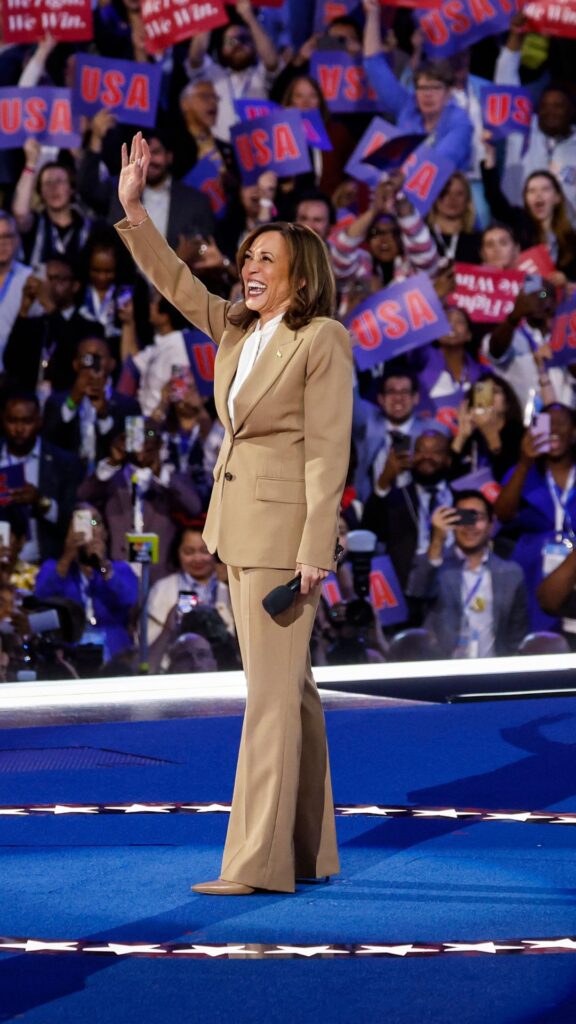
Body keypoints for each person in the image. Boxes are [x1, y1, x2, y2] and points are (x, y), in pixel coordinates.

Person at [115, 131, 353, 896]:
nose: (249, 270)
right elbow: (178, 285)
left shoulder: (323, 340)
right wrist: (134, 212)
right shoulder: (240, 332)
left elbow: (327, 451)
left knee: (270, 700)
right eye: (247, 259)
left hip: (286, 541)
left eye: (264, 262)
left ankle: (256, 864)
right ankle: (311, 850)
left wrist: (317, 545)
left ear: (300, 277)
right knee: (293, 692)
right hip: (237, 528)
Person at [412, 489, 528, 657]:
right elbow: (417, 593)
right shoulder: (437, 565)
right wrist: (437, 539)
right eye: (463, 517)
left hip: (493, 674)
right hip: (444, 673)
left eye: (478, 518)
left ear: (491, 524)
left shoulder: (511, 573)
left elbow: (517, 636)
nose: (470, 526)